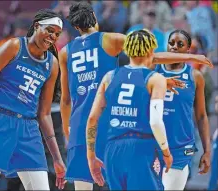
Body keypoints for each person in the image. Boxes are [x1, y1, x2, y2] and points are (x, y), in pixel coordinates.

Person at [59, 2, 213, 190]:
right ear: (94, 16)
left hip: (80, 127)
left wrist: (69, 132)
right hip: (110, 128)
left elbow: (65, 99)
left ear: (75, 26)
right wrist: (190, 58)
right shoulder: (110, 40)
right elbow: (146, 56)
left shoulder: (65, 52)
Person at [0, 9, 66, 190]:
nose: (52, 36)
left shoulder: (52, 64)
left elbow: (45, 114)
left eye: (57, 34)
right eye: (49, 30)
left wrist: (57, 158)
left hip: (28, 128)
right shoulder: (13, 47)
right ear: (36, 26)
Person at [86, 29, 173, 190]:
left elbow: (92, 118)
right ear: (151, 50)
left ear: (127, 50)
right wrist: (166, 152)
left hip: (113, 150)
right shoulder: (155, 79)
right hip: (141, 148)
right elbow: (155, 122)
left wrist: (91, 156)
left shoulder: (109, 77)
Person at [155, 30, 211, 190]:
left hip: (179, 148)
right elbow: (151, 57)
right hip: (151, 146)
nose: (174, 47)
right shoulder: (153, 68)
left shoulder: (195, 76)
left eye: (180, 44)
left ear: (188, 48)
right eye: (171, 43)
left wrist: (206, 151)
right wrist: (191, 57)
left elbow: (201, 116)